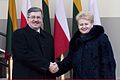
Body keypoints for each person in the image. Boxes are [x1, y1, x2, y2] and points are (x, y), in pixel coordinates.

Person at [49, 11, 116, 79]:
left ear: (91, 24)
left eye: (86, 24)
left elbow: (108, 64)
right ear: (78, 26)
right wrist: (58, 67)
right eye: (81, 24)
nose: (84, 27)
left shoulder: (101, 38)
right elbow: (70, 60)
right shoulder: (75, 40)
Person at [12, 7, 58, 79]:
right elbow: (23, 55)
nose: (36, 20)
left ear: (42, 20)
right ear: (27, 19)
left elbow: (51, 59)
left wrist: (53, 68)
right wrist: (47, 65)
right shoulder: (18, 34)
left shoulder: (49, 37)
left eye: (38, 17)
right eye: (33, 17)